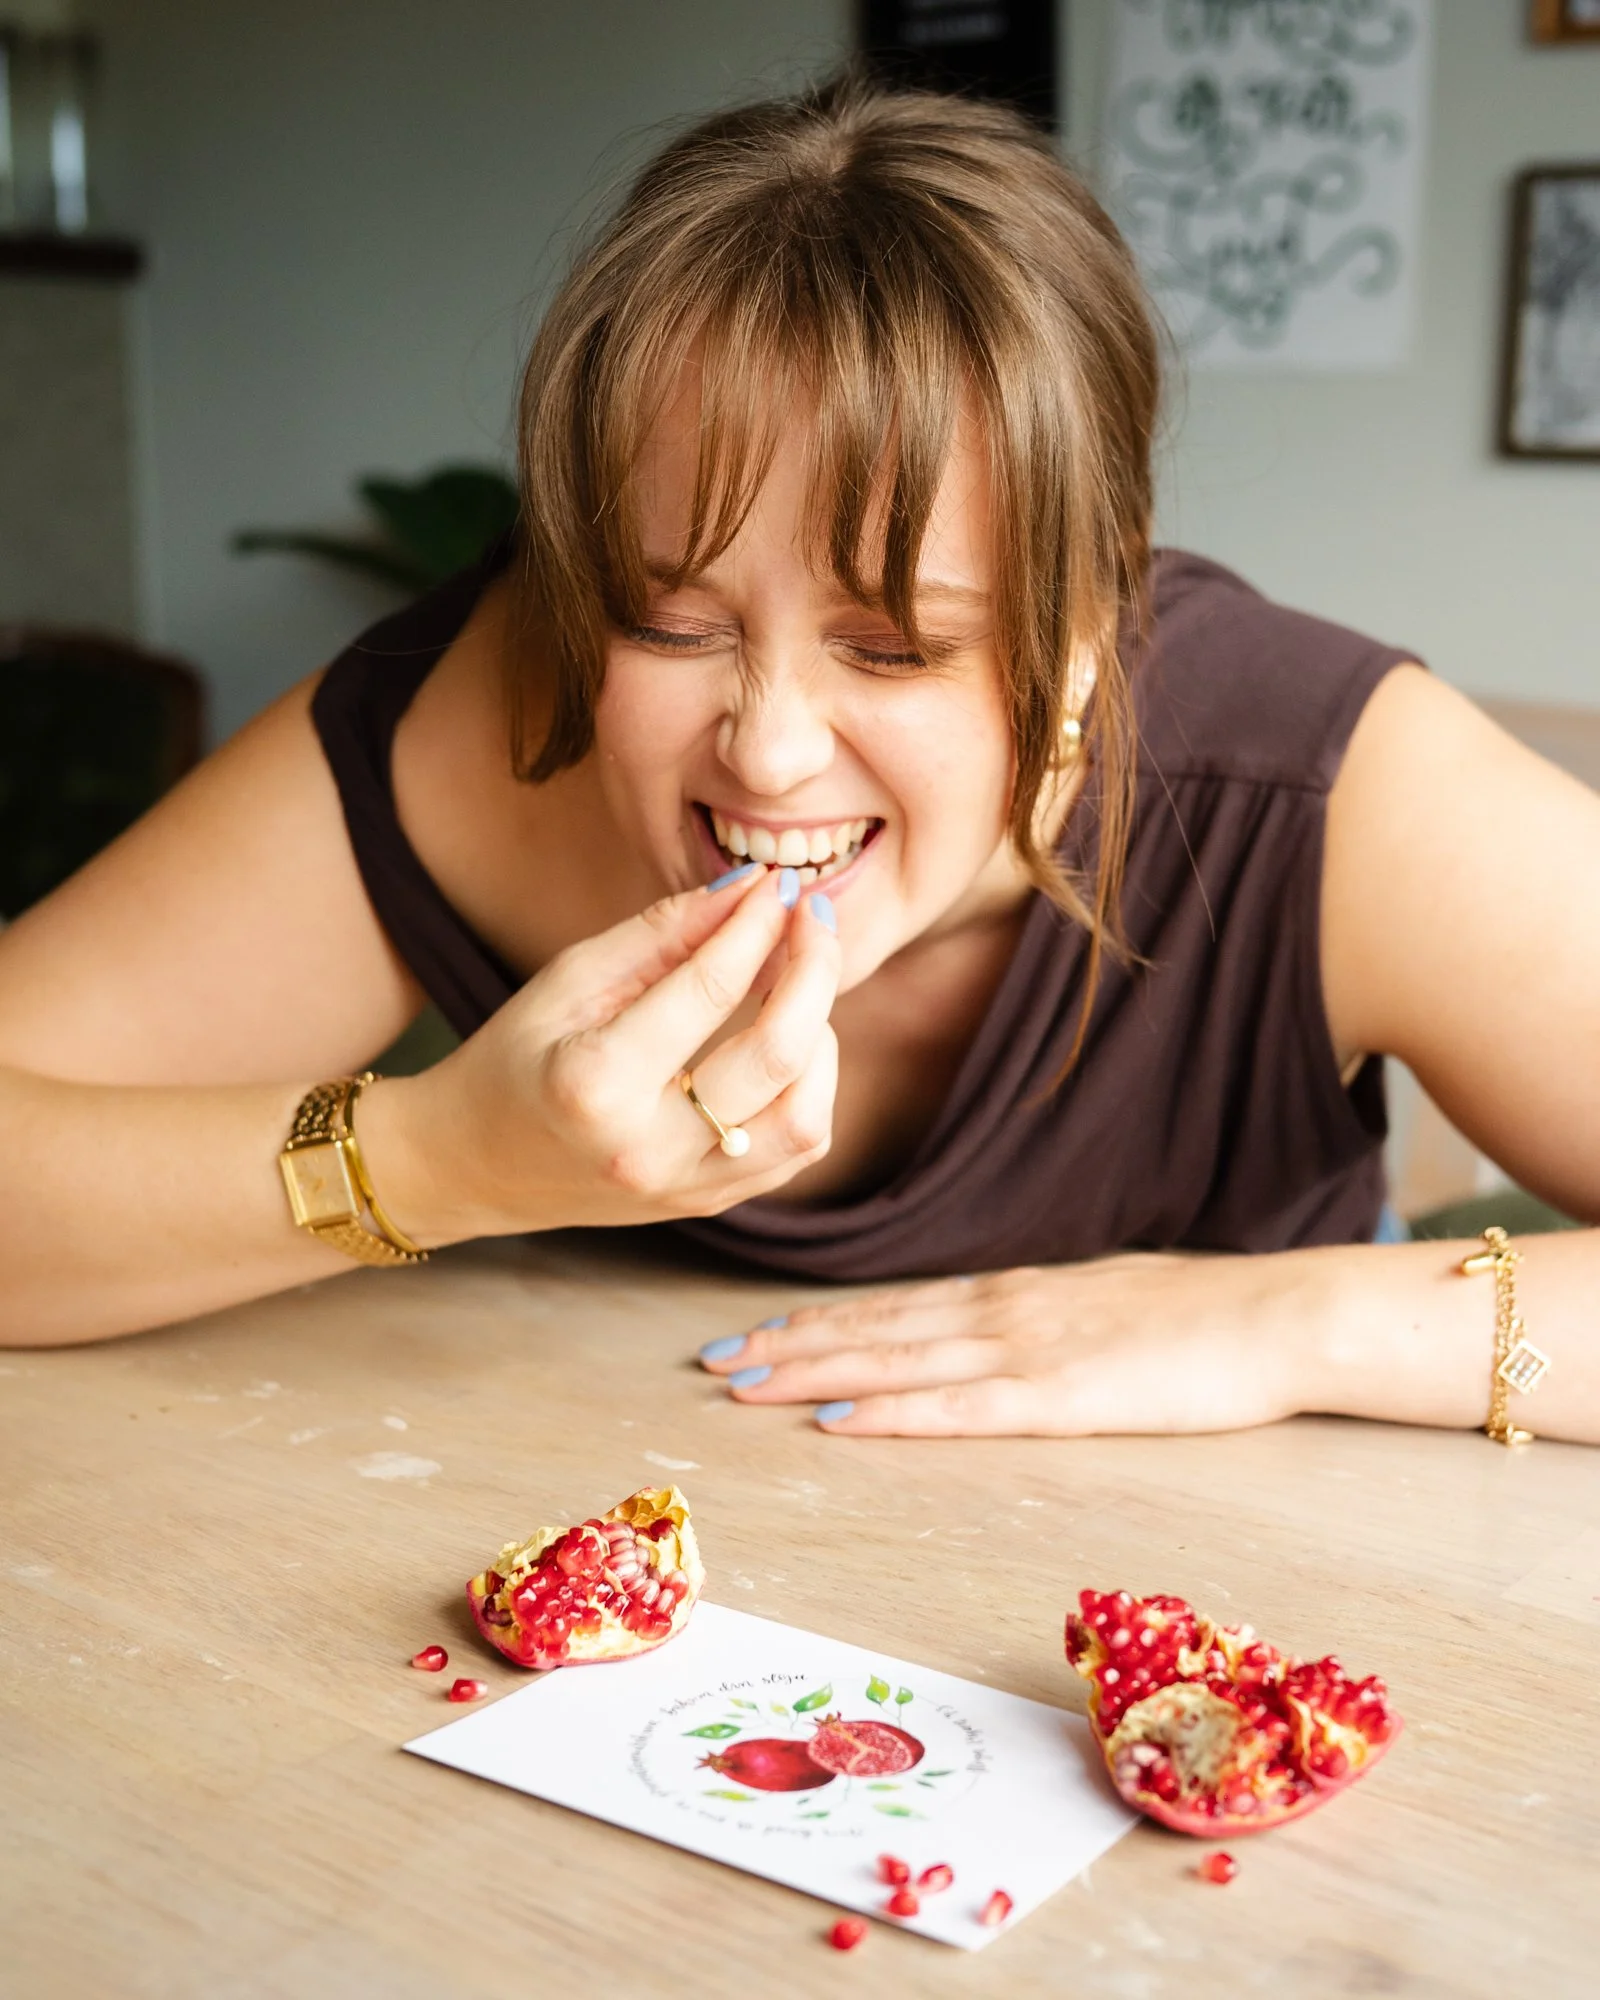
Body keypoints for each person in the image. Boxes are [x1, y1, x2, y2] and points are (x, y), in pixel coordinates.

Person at [1, 80, 1595, 1450]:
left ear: (1095, 620)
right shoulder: (469, 727)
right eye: (667, 623)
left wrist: (1277, 1327)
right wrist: (438, 1159)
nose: (765, 750)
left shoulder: (1328, 789)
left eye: (894, 647)